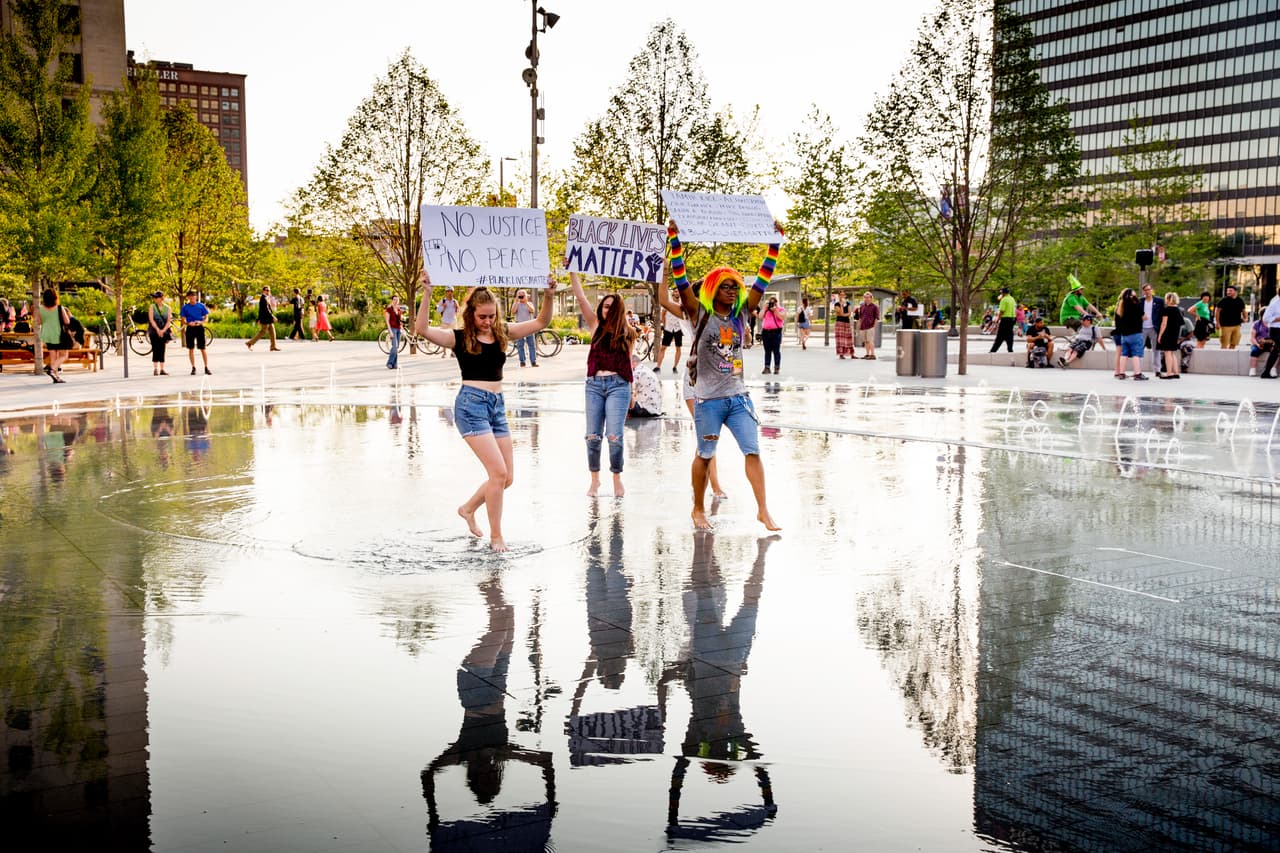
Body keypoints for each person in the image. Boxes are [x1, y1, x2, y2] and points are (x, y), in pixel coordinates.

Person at [413, 271, 556, 551]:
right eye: (482, 317)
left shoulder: (502, 332)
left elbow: (541, 321)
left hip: (497, 406)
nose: (488, 321)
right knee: (498, 473)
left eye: (492, 316)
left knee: (506, 477)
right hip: (471, 406)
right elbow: (422, 330)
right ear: (471, 314)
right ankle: (496, 536)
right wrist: (427, 293)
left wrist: (549, 295)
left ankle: (468, 508)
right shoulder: (459, 338)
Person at [668, 218, 781, 532]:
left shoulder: (741, 314)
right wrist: (674, 240)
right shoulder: (698, 312)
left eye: (735, 286)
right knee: (705, 454)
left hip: (738, 399)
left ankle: (763, 510)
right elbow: (680, 280)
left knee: (753, 449)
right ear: (712, 289)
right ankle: (697, 508)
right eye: (725, 286)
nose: (732, 290)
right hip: (708, 400)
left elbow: (762, 281)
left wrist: (775, 245)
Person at [652, 277, 728, 501]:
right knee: (708, 435)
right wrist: (665, 272)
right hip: (695, 381)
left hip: (716, 381)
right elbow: (664, 300)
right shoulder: (690, 314)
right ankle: (713, 486)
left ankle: (705, 481)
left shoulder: (721, 315)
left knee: (709, 436)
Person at [568, 266, 638, 497]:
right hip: (594, 387)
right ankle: (595, 480)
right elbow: (579, 297)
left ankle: (617, 478)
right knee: (592, 436)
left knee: (614, 436)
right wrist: (572, 271)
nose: (607, 309)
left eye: (611, 306)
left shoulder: (628, 333)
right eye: (605, 305)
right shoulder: (595, 325)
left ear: (619, 310)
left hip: (619, 385)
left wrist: (632, 391)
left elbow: (629, 363)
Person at [1113, 287, 1148, 380]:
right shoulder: (1136, 305)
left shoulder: (1121, 307)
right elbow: (1145, 317)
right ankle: (1137, 374)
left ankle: (1121, 373)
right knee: (1136, 354)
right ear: (1133, 297)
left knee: (1124, 354)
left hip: (1124, 335)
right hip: (1136, 333)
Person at [37, 288, 70, 383]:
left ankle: (56, 377)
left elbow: (39, 322)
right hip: (59, 334)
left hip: (47, 334)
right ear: (55, 297)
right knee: (64, 355)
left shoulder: (41, 308)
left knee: (53, 356)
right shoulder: (59, 308)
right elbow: (67, 321)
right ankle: (52, 369)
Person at [180, 290, 212, 375]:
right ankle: (193, 367)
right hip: (190, 328)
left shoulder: (201, 306)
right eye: (190, 296)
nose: (192, 298)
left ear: (196, 297)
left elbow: (206, 318)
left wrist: (201, 322)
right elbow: (183, 320)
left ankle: (206, 367)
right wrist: (188, 323)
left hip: (199, 328)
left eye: (193, 296)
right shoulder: (185, 307)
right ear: (188, 297)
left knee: (203, 348)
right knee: (191, 349)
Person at [652, 291, 684, 373]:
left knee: (678, 348)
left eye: (678, 291)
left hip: (678, 328)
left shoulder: (682, 303)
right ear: (673, 293)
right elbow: (663, 315)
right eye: (675, 291)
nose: (677, 293)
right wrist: (665, 326)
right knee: (663, 348)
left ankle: (675, 367)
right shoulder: (668, 303)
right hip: (668, 328)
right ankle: (658, 367)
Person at [1156, 291, 1184, 379]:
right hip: (1175, 334)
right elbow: (1181, 324)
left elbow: (1164, 324)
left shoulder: (1167, 310)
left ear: (1168, 299)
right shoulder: (1178, 310)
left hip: (1167, 333)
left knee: (1167, 353)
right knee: (1172, 353)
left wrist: (1160, 335)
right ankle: (1176, 372)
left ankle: (1169, 373)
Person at [146, 290, 173, 375]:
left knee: (162, 349)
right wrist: (158, 330)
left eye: (156, 297)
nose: (154, 299)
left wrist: (163, 330)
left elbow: (169, 321)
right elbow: (151, 319)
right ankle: (155, 369)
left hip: (164, 331)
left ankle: (162, 369)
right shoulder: (152, 307)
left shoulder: (168, 308)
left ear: (161, 298)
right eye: (154, 297)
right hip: (154, 331)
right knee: (155, 349)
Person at [628, 353, 662, 418]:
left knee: (619, 398)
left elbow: (628, 389)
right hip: (654, 409)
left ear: (632, 363)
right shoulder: (646, 369)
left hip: (646, 408)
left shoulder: (638, 372)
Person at [245, 286, 279, 350]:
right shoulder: (263, 298)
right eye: (267, 290)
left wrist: (259, 319)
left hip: (268, 319)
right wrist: (272, 316)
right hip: (265, 319)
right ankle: (249, 343)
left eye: (269, 290)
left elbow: (261, 310)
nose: (268, 291)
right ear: (263, 291)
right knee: (262, 332)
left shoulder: (266, 298)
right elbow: (265, 310)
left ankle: (273, 346)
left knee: (273, 332)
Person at [511, 288, 538, 367]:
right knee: (520, 345)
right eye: (520, 296)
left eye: (523, 295)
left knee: (531, 344)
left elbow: (532, 310)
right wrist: (516, 301)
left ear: (526, 296)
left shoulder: (529, 303)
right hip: (519, 326)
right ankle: (522, 361)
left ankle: (533, 361)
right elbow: (513, 312)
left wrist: (526, 302)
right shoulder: (516, 304)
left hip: (529, 325)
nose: (521, 297)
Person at [758, 296, 784, 374]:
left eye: (774, 302)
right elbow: (760, 316)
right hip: (766, 332)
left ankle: (776, 367)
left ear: (776, 303)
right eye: (770, 303)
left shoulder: (780, 309)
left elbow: (782, 317)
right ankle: (767, 367)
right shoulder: (766, 310)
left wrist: (775, 311)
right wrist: (764, 308)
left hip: (776, 332)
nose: (772, 304)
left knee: (776, 351)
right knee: (767, 351)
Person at [1215, 285, 1245, 349]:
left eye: (1230, 291)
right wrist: (1217, 323)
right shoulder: (1223, 300)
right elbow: (1217, 311)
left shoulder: (1240, 300)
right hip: (1225, 325)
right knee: (1224, 344)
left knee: (1234, 343)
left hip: (1237, 325)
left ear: (1235, 292)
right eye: (1227, 291)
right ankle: (1223, 357)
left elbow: (1243, 310)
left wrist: (1246, 318)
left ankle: (1231, 356)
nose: (1228, 292)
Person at [1258, 292, 1280, 379]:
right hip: (1276, 330)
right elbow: (1265, 318)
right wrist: (1277, 319)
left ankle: (1266, 372)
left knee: (1275, 351)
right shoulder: (1275, 303)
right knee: (1276, 349)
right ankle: (1267, 371)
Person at [989, 287, 1017, 353]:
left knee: (1000, 336)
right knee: (1009, 335)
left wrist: (997, 320)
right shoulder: (1012, 299)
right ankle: (1010, 349)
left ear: (1003, 293)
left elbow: (1001, 311)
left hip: (1005, 319)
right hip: (1012, 319)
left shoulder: (1004, 300)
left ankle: (993, 351)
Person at [856, 292, 880, 359]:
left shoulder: (875, 307)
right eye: (865, 297)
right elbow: (860, 317)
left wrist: (874, 327)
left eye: (868, 297)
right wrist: (858, 326)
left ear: (871, 298)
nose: (866, 299)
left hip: (870, 326)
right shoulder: (862, 306)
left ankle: (872, 355)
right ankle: (867, 354)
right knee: (866, 341)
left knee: (870, 341)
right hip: (863, 326)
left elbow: (876, 318)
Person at [833, 291, 854, 358]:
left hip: (847, 322)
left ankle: (851, 354)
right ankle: (841, 354)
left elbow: (849, 313)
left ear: (845, 296)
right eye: (841, 295)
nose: (842, 296)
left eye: (843, 295)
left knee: (848, 338)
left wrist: (843, 315)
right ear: (839, 296)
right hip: (839, 323)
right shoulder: (836, 304)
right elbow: (839, 312)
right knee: (840, 339)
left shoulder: (848, 303)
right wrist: (841, 305)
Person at [384, 294, 402, 369]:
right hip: (393, 329)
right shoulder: (389, 309)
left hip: (398, 329)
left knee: (396, 347)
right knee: (394, 346)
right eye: (394, 299)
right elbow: (387, 321)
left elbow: (399, 320)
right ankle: (389, 363)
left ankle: (395, 364)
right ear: (392, 300)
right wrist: (390, 331)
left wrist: (401, 324)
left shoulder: (398, 309)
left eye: (397, 300)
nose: (396, 301)